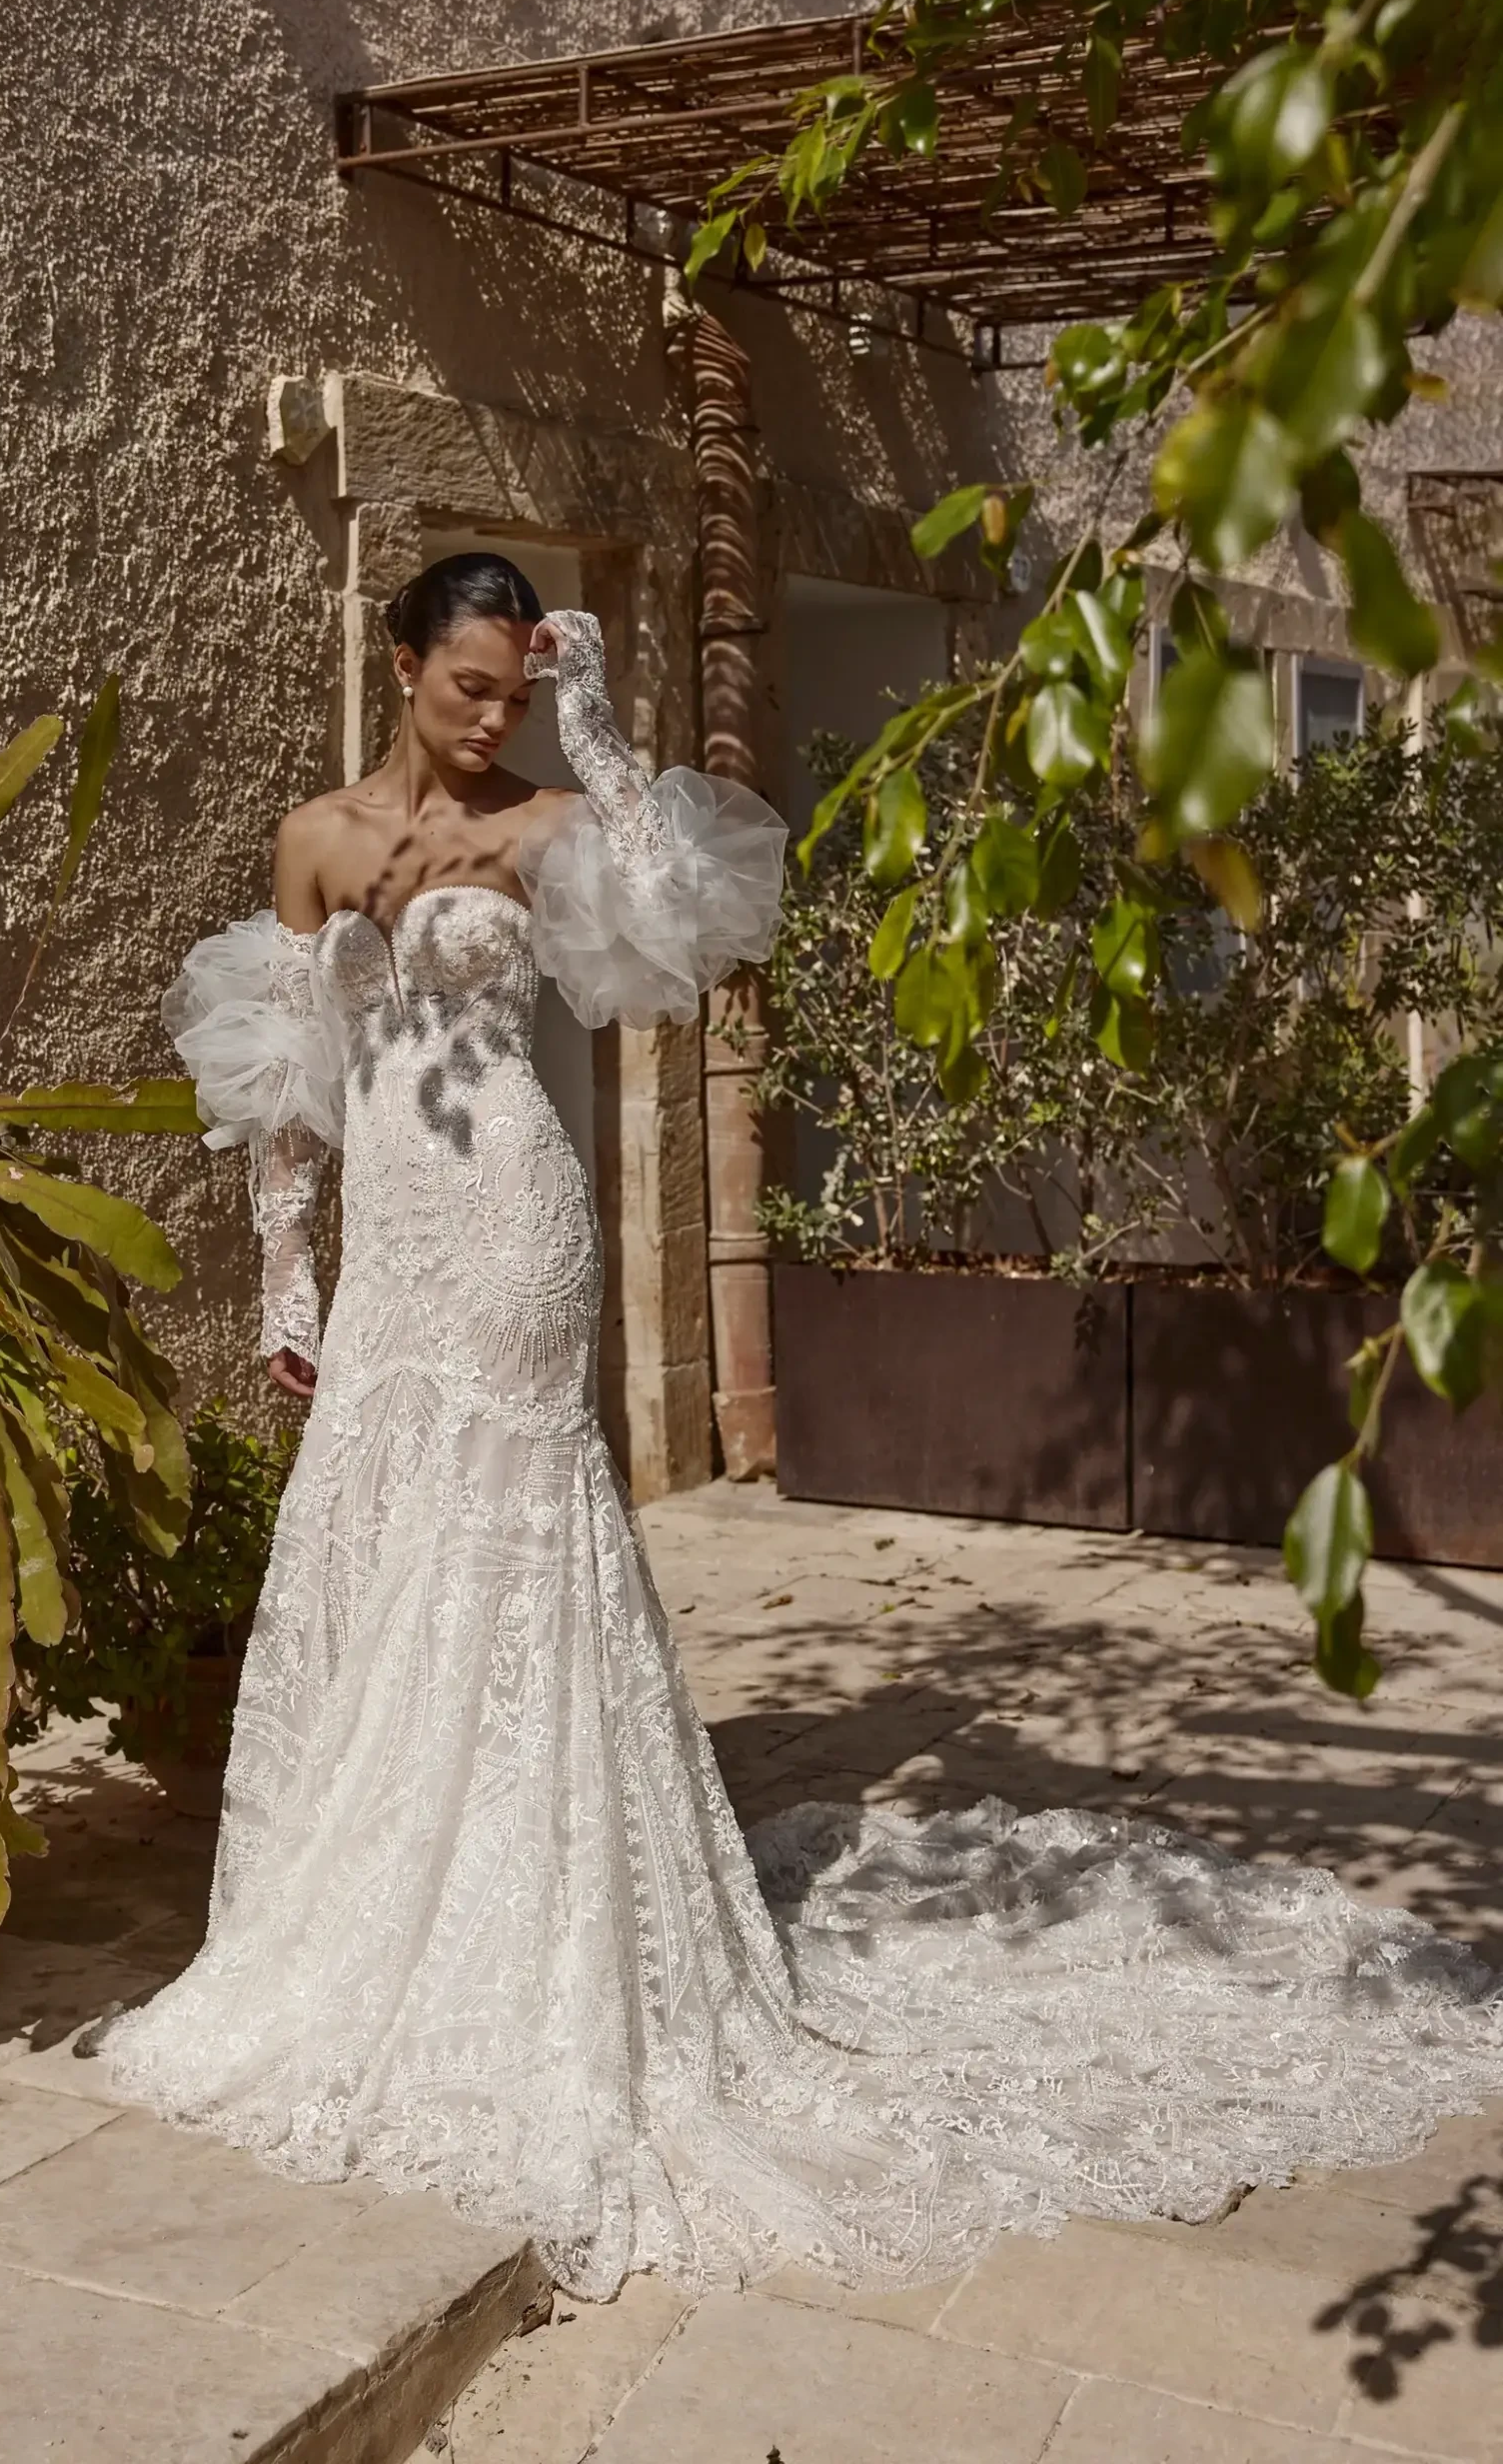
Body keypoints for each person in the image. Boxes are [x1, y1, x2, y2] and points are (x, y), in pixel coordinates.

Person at [107, 551, 1503, 2302]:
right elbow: (286, 1092)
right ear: (398, 664)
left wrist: (606, 731)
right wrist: (286, 1283)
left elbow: (684, 913)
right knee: (378, 1535)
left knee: (514, 1537)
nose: (491, 717)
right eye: (467, 685)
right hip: (391, 1245)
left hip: (517, 1229)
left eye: (513, 691)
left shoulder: (544, 827)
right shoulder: (314, 840)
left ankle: (532, 1931)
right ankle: (374, 1895)